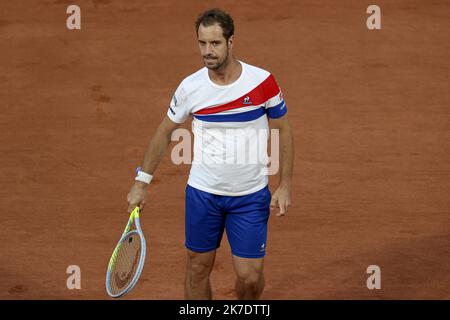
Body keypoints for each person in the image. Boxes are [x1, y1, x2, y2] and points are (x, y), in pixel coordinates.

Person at [126, 8, 294, 300]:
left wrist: (285, 184)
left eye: (215, 43)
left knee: (250, 278)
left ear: (231, 42)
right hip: (203, 194)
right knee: (197, 267)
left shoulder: (262, 81)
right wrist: (142, 181)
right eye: (202, 43)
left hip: (250, 196)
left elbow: (284, 129)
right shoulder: (191, 87)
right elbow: (164, 131)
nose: (207, 51)